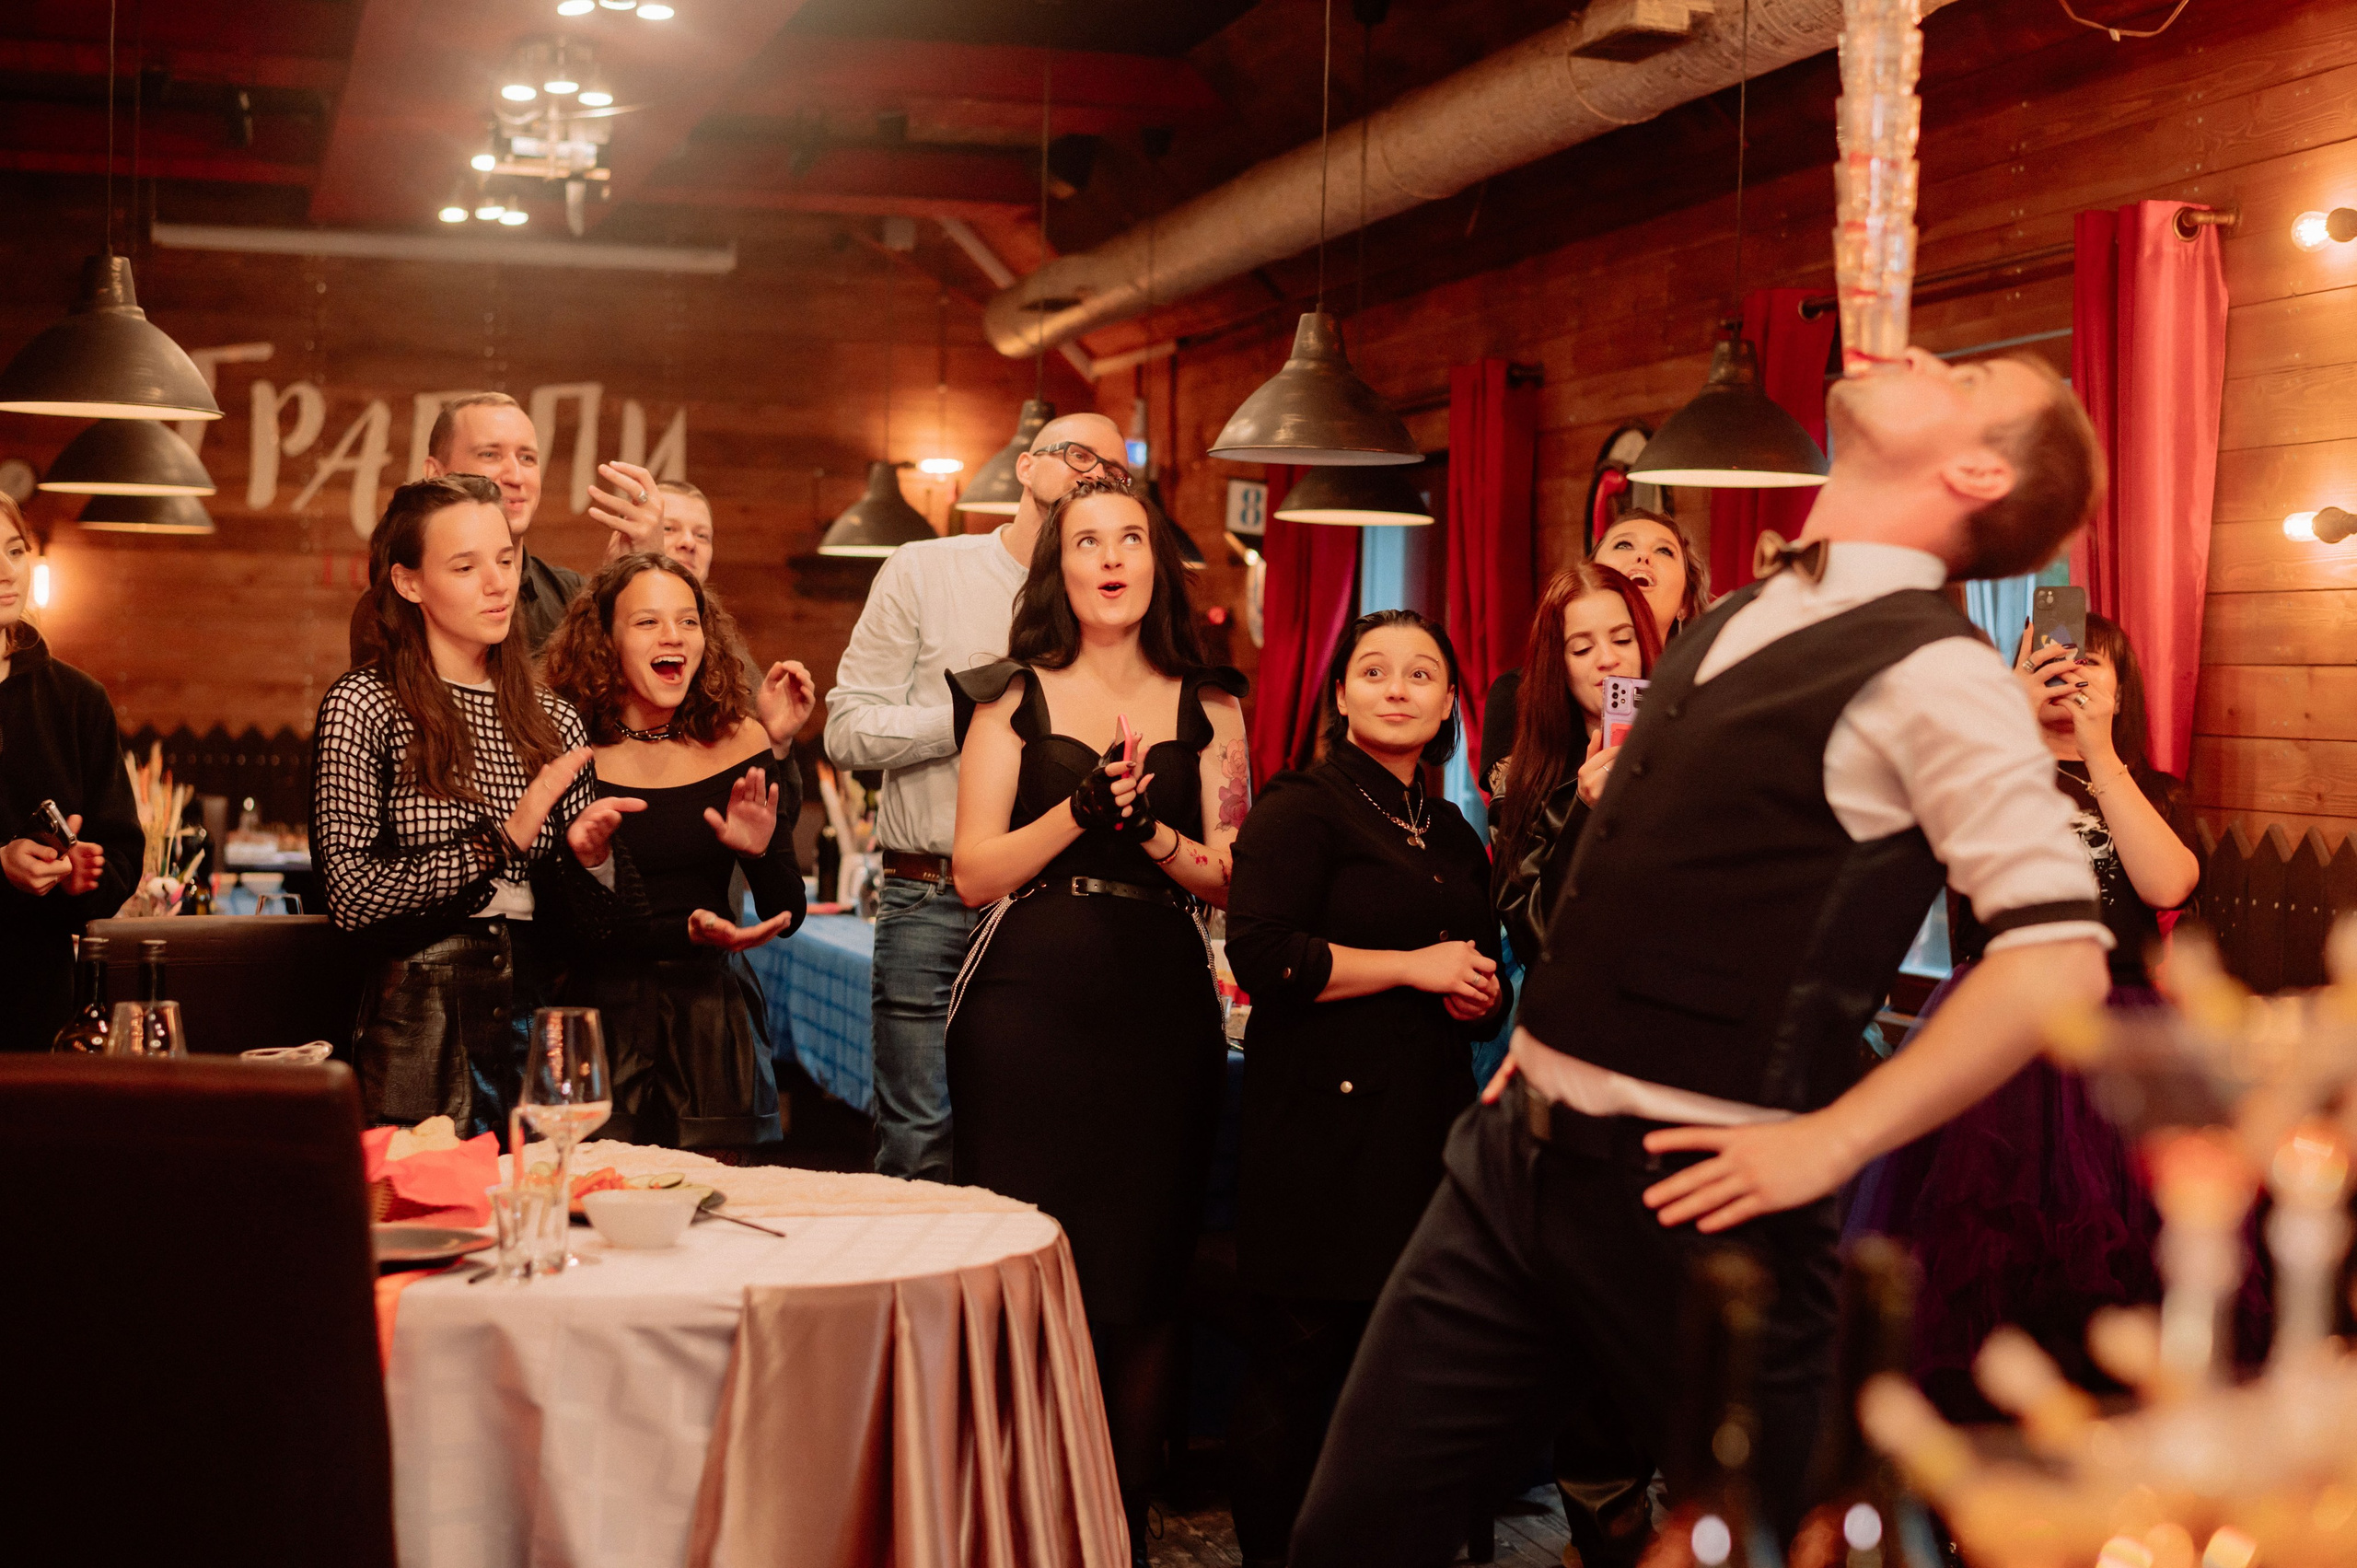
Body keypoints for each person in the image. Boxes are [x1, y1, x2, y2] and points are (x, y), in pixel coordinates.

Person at [1289, 348, 2116, 1566]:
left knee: (1814, 1543)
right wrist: (1550, 1025)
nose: (1925, 355)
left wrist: (1832, 1139)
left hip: (1699, 1192)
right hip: (1514, 1164)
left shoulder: (1940, 672)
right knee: (1351, 1534)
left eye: (1969, 369)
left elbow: (2058, 962)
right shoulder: (1745, 608)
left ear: (1977, 466)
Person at [943, 479, 1246, 1561]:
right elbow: (972, 871)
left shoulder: (1210, 705)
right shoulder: (1006, 695)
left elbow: (1233, 877)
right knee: (1031, 1267)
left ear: (1159, 560)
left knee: (1145, 1274)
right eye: (1087, 541)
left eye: (1131, 539)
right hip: (1028, 1012)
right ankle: (1017, 1525)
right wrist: (1076, 812)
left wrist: (1158, 836)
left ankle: (1118, 1527)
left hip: (1159, 1009)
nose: (1111, 558)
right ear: (1055, 565)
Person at [1846, 610, 2200, 1420]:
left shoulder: (2152, 789)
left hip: (2120, 1032)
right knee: (1981, 1242)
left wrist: (2101, 756)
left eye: (2091, 666)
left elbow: (2167, 885)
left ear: (2122, 688)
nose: (2067, 677)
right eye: (2047, 659)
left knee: (2120, 1248)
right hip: (1996, 1018)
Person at [1223, 609, 1509, 1567]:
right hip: (1316, 1125)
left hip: (1420, 1121)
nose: (1397, 686)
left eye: (1421, 673)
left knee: (1395, 1368)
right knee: (1297, 1363)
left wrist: (1474, 987)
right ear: (1339, 693)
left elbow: (1472, 955)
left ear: (1448, 706)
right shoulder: (1301, 804)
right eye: (1374, 670)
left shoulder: (1449, 826)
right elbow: (1263, 956)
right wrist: (1413, 966)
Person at [824, 410, 1133, 1181]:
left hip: (1053, 903)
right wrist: (978, 721)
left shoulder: (1111, 601)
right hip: (930, 898)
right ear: (1025, 468)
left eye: (1116, 470)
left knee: (1032, 1139)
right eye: (1076, 455)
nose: (1094, 473)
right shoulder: (925, 570)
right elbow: (848, 731)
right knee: (919, 1143)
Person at [314, 474, 614, 1135]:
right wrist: (501, 841)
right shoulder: (365, 704)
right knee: (423, 1220)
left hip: (536, 1018)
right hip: (417, 1020)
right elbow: (352, 895)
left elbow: (595, 934)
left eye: (505, 559)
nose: (497, 582)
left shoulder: (555, 720)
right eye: (465, 565)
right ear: (409, 582)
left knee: (540, 1213)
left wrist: (590, 863)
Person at [541, 552, 811, 1153]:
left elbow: (786, 910)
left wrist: (763, 849)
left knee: (721, 1227)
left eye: (688, 621)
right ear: (604, 638)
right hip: (598, 1023)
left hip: (712, 1025)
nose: (673, 636)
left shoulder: (741, 737)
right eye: (647, 622)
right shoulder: (564, 745)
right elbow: (552, 928)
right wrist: (588, 863)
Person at [348, 392, 667, 664]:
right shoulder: (398, 603)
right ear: (435, 474)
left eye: (527, 458)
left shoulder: (572, 595)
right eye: (490, 454)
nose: (515, 475)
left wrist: (632, 583)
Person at [0, 495, 143, 1052]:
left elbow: (122, 851)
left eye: (15, 550)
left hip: (41, 1007)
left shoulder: (77, 700)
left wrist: (87, 875)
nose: (7, 570)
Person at [1489, 563, 1663, 967]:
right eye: (1582, 648)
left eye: (1622, 639)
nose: (1607, 659)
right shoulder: (1523, 781)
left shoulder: (1691, 749)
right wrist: (1584, 813)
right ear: (1558, 666)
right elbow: (1533, 939)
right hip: (1577, 1009)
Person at [1478, 511, 1700, 804]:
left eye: (1664, 550)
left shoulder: (1696, 698)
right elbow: (1515, 826)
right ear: (1594, 572)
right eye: (1624, 545)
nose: (1643, 557)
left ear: (1685, 602)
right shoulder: (1522, 692)